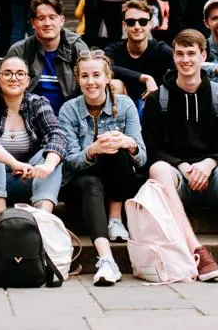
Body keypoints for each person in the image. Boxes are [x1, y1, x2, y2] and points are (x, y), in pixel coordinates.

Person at [142, 29, 218, 281]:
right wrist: (184, 166)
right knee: (157, 170)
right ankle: (196, 250)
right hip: (178, 178)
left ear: (203, 56)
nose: (185, 60)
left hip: (215, 176)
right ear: (173, 57)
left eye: (191, 54)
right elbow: (153, 149)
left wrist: (208, 164)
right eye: (180, 54)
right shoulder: (157, 100)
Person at [58, 50, 147, 285]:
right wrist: (92, 149)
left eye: (96, 75)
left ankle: (115, 218)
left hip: (118, 180)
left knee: (117, 147)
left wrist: (130, 144)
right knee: (91, 182)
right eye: (85, 76)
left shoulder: (126, 105)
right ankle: (106, 259)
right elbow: (69, 161)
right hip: (81, 184)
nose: (91, 82)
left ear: (107, 78)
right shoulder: (69, 109)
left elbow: (142, 157)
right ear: (78, 79)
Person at [0, 54, 66, 214]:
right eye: (7, 73)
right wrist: (13, 163)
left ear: (27, 80)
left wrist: (47, 165)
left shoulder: (38, 103)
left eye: (20, 74)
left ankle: (43, 218)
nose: (14, 78)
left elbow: (57, 135)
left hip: (27, 179)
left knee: (52, 154)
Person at [6, 0, 88, 114]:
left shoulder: (77, 49)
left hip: (70, 119)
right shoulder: (20, 51)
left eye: (52, 17)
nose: (47, 23)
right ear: (32, 23)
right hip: (31, 118)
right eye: (41, 18)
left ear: (62, 20)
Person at [104, 0, 175, 99]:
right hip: (124, 105)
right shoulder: (114, 49)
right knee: (114, 84)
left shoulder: (161, 49)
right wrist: (144, 78)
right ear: (124, 26)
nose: (137, 27)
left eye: (143, 22)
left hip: (154, 105)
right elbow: (104, 66)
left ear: (150, 24)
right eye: (131, 22)